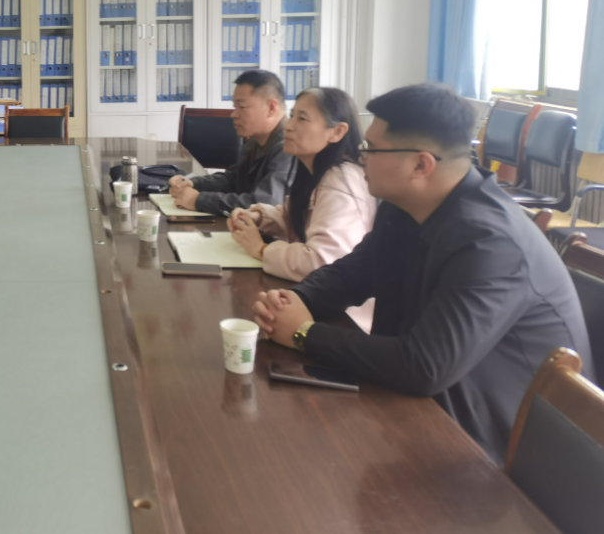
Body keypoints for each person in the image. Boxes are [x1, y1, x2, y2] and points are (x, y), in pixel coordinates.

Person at [252, 83, 594, 464]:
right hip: (426, 410)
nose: (361, 159)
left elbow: (424, 366)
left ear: (421, 165)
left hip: (499, 453)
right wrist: (296, 299)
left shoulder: (491, 243)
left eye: (371, 149)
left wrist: (304, 333)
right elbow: (353, 273)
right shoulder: (405, 206)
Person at [227, 87, 377, 331]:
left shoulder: (341, 180)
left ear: (337, 131)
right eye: (292, 116)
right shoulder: (317, 170)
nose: (288, 126)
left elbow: (323, 260)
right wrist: (257, 217)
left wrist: (261, 249)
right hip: (316, 299)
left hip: (342, 319)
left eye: (302, 119)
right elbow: (296, 215)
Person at [168, 69, 292, 213]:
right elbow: (234, 179)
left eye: (242, 107)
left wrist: (199, 200)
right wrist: (193, 183)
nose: (233, 114)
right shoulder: (256, 141)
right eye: (235, 107)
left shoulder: (289, 147)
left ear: (271, 108)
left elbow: (265, 204)